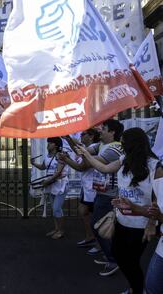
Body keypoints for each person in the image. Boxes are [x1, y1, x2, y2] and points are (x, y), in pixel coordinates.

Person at [77, 127, 162, 294]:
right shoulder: (124, 160)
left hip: (141, 225)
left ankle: (136, 289)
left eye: (124, 144)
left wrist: (152, 223)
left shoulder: (155, 166)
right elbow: (104, 168)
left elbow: (158, 199)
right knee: (118, 253)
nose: (121, 147)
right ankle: (135, 287)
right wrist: (86, 155)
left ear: (134, 145)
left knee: (131, 260)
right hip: (122, 219)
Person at [66, 119, 123, 276]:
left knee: (98, 226)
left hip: (109, 194)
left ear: (112, 132)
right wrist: (68, 139)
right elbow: (82, 151)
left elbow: (90, 162)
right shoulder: (101, 145)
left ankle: (113, 259)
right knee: (99, 226)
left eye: (104, 129)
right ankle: (109, 255)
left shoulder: (115, 148)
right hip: (101, 192)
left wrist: (80, 153)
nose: (100, 131)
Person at [59, 129, 100, 250]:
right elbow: (76, 148)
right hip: (87, 187)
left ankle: (98, 243)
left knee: (95, 216)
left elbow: (82, 167)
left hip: (93, 187)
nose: (80, 136)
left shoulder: (92, 149)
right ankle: (90, 237)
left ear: (91, 137)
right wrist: (68, 139)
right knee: (83, 211)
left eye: (83, 134)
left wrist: (66, 159)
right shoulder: (86, 148)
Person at [31, 137, 69, 240]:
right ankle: (56, 229)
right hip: (51, 184)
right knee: (54, 209)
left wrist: (47, 181)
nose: (48, 145)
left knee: (57, 208)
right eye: (48, 142)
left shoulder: (60, 156)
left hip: (61, 185)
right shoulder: (48, 156)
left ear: (56, 145)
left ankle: (61, 231)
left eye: (50, 143)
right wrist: (33, 163)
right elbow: (43, 167)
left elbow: (58, 172)